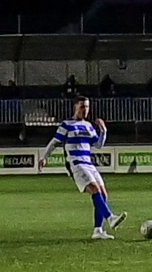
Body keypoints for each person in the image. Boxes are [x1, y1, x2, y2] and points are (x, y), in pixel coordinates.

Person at [42, 95, 127, 239]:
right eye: (82, 107)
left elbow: (98, 145)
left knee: (103, 194)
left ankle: (98, 230)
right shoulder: (66, 124)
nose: (85, 110)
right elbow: (54, 142)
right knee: (94, 189)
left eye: (87, 107)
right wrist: (44, 157)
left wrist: (103, 131)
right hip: (76, 163)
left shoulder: (88, 126)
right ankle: (110, 218)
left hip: (88, 163)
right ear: (75, 107)